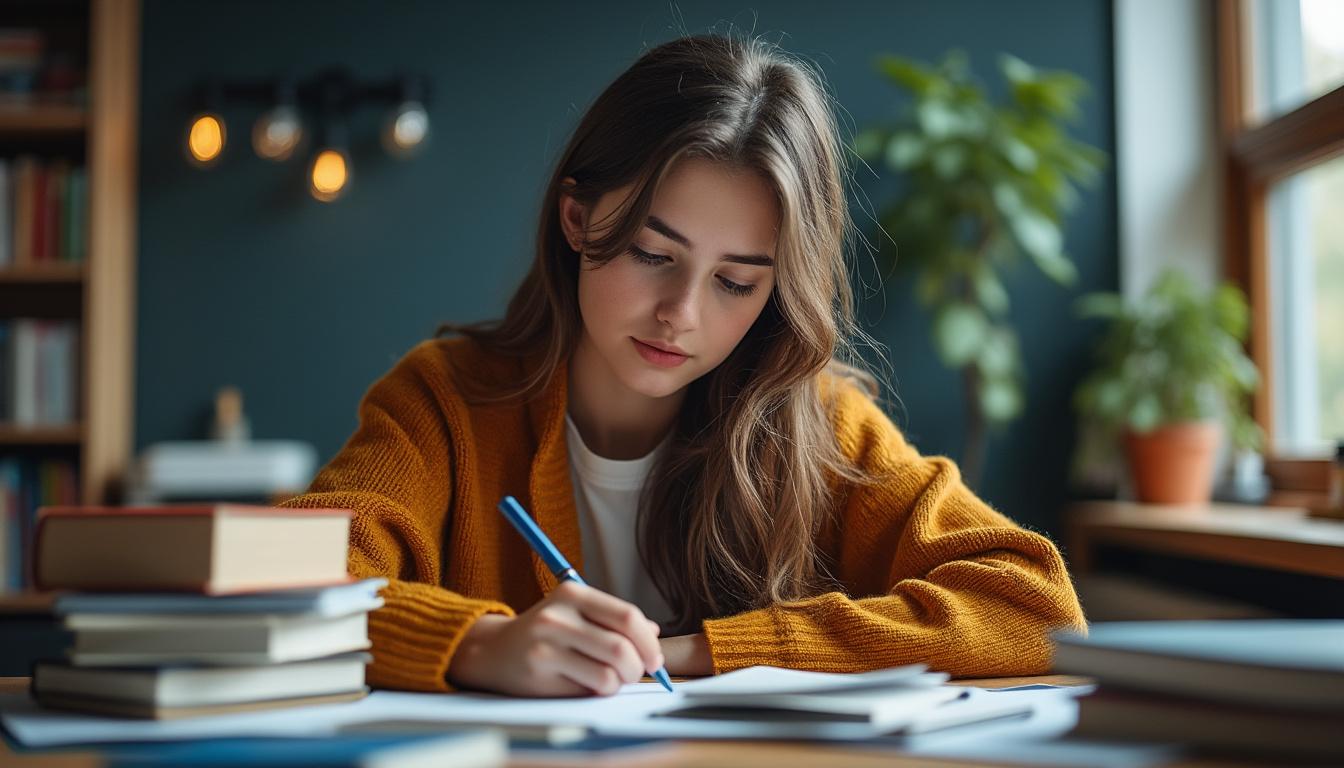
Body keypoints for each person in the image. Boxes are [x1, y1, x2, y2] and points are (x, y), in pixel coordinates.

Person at [281, 33, 1086, 697]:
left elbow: (1033, 604)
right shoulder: (448, 402)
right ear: (576, 218)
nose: (683, 314)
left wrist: (703, 650)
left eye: (737, 281)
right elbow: (280, 587)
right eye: (652, 253)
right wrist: (478, 645)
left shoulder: (819, 425)